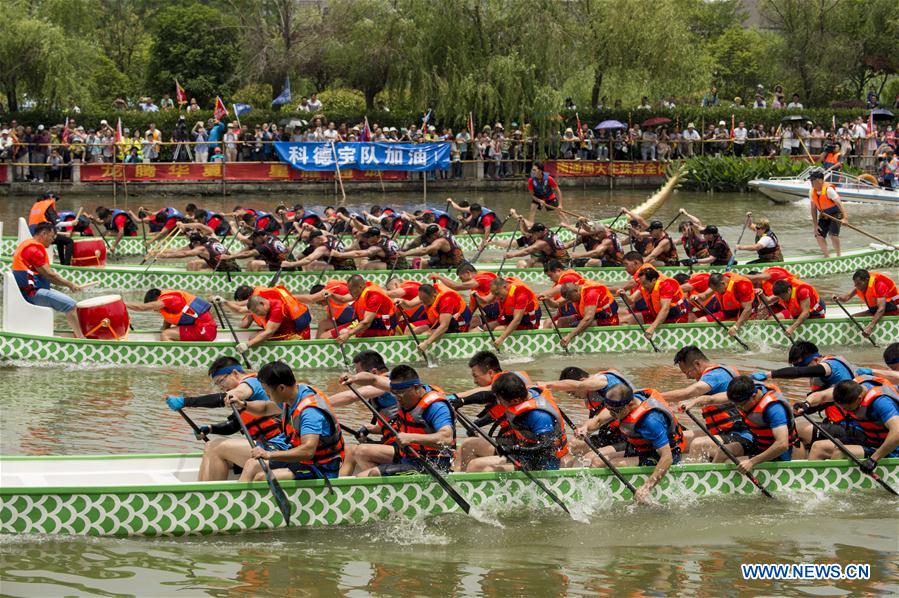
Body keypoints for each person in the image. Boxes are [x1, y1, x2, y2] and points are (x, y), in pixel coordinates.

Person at [166, 356, 291, 481]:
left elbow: (228, 396)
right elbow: (235, 425)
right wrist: (210, 429)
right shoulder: (244, 397)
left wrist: (186, 401)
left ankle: (207, 494)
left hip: (277, 447)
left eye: (221, 381)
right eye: (217, 384)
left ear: (235, 373)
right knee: (214, 450)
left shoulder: (251, 382)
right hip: (263, 445)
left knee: (214, 447)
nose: (220, 387)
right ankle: (207, 490)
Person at [239, 361, 344, 481]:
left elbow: (308, 451)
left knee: (262, 478)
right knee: (252, 464)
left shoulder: (310, 412)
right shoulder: (292, 394)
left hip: (320, 468)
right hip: (302, 461)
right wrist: (243, 404)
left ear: (281, 388)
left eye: (266, 390)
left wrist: (269, 454)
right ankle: (237, 498)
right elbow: (265, 408)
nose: (266, 395)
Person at [753, 341, 863, 448]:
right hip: (837, 423)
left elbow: (799, 372)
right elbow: (821, 404)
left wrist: (769, 375)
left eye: (803, 366)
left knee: (793, 430)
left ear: (815, 359)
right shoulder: (825, 377)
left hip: (851, 427)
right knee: (788, 425)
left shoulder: (830, 366)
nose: (804, 371)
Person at [351, 365, 456, 476]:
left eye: (401, 393)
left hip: (434, 463)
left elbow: (446, 438)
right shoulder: (401, 389)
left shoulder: (436, 406)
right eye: (394, 393)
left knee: (374, 473)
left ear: (416, 388)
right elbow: (373, 379)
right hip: (409, 456)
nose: (397, 397)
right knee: (360, 474)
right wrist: (353, 378)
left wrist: (411, 438)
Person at [594, 385, 685, 503]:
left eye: (615, 411)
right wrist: (585, 428)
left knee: (615, 464)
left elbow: (667, 457)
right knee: (598, 460)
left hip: (666, 455)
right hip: (643, 450)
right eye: (608, 409)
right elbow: (601, 419)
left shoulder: (650, 421)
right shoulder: (625, 402)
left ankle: (609, 496)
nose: (611, 415)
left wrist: (647, 487)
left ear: (630, 405)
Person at [466, 373, 569, 472]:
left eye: (500, 401)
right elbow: (489, 396)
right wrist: (461, 401)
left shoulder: (539, 416)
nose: (498, 403)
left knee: (475, 465)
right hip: (522, 452)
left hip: (541, 464)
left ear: (516, 400)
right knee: (469, 445)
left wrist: (514, 449)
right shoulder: (521, 394)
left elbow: (546, 447)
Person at [664, 346, 747, 460]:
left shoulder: (716, 375)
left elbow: (688, 393)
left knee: (697, 445)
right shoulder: (720, 369)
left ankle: (694, 475)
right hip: (721, 430)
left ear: (697, 364)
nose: (688, 377)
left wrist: (655, 396)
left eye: (688, 372)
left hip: (738, 432)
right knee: (677, 439)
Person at [327, 350, 399, 476]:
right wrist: (370, 429)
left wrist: (317, 404)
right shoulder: (379, 389)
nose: (355, 377)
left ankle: (374, 488)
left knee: (360, 451)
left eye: (358, 373)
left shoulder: (391, 383)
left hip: (405, 446)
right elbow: (392, 423)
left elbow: (352, 396)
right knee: (348, 450)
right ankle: (340, 489)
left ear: (374, 373)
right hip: (392, 441)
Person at [10, 222, 86, 336]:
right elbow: (50, 275)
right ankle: (81, 339)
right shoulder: (34, 250)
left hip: (30, 290)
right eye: (51, 237)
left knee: (66, 302)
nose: (52, 241)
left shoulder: (26, 244)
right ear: (44, 234)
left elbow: (47, 276)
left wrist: (67, 285)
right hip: (32, 293)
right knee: (71, 305)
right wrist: (70, 285)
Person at [805, 377, 899, 468]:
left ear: (859, 398)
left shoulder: (881, 402)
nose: (847, 411)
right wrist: (806, 404)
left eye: (849, 408)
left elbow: (897, 433)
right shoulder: (848, 390)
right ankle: (809, 481)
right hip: (869, 440)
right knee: (818, 447)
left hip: (890, 449)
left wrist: (873, 460)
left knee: (840, 452)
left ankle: (837, 482)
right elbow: (821, 395)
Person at [543, 367, 632, 461]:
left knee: (590, 457)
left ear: (583, 382)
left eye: (572, 392)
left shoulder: (603, 381)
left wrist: (548, 384)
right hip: (610, 437)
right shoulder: (589, 397)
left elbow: (599, 421)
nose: (573, 396)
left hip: (628, 439)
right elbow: (594, 421)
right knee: (569, 447)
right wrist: (584, 429)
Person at [714, 376, 799, 473]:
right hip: (758, 445)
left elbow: (782, 445)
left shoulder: (774, 409)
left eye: (741, 405)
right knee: (724, 451)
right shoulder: (746, 391)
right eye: (735, 405)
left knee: (730, 463)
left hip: (778, 454)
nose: (739, 408)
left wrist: (751, 462)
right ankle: (711, 477)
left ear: (754, 396)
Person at [125, 289, 217, 341]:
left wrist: (123, 304)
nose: (154, 310)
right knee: (165, 331)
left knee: (166, 335)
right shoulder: (169, 307)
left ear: (155, 300)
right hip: (207, 329)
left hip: (204, 330)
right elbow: (167, 323)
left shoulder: (168, 299)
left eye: (153, 307)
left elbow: (143, 307)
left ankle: (171, 358)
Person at [236, 287, 312, 350]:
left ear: (262, 303)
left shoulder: (277, 307)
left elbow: (269, 332)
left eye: (257, 311)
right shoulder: (260, 302)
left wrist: (247, 345)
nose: (257, 314)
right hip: (285, 331)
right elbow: (242, 318)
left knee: (254, 338)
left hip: (296, 335)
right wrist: (225, 303)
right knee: (254, 336)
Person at [619, 268, 688, 337]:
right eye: (641, 283)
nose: (642, 286)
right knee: (625, 320)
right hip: (656, 313)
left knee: (648, 327)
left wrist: (652, 327)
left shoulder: (666, 285)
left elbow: (665, 309)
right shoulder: (644, 286)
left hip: (675, 316)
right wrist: (624, 295)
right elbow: (631, 300)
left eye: (645, 283)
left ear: (654, 280)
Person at [430, 263, 499, 330]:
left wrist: (439, 277)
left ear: (468, 273)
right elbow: (470, 312)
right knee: (471, 321)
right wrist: (457, 321)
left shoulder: (482, 278)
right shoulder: (474, 292)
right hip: (491, 315)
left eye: (461, 278)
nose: (462, 281)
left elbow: (457, 286)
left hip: (499, 314)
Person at [833, 269, 898, 337]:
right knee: (852, 317)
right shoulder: (860, 286)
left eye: (859, 284)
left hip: (891, 311)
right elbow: (846, 298)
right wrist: (838, 298)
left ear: (866, 280)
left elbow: (881, 309)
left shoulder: (879, 285)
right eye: (855, 284)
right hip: (874, 310)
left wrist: (870, 327)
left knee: (858, 319)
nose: (856, 286)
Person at [335, 275, 397, 342]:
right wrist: (331, 295)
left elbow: (367, 322)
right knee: (341, 332)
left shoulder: (374, 296)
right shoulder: (361, 293)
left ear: (360, 287)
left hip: (383, 332)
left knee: (346, 334)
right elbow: (342, 299)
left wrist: (348, 334)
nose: (349, 293)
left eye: (351, 290)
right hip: (371, 328)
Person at [557, 281, 618, 347]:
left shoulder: (591, 293)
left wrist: (570, 336)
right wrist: (547, 299)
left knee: (575, 325)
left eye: (571, 299)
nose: (571, 301)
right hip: (594, 316)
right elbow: (556, 304)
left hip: (608, 320)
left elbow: (588, 319)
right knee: (561, 321)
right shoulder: (576, 291)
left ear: (576, 291)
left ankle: (571, 342)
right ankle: (560, 344)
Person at [413, 284, 471, 351]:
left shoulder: (447, 300)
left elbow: (444, 326)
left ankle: (426, 349)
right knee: (414, 330)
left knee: (425, 334)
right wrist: (402, 302)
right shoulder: (429, 294)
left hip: (458, 322)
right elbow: (409, 305)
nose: (422, 303)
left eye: (425, 300)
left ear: (434, 295)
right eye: (421, 299)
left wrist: (426, 343)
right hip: (443, 318)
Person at [699, 272, 758, 336]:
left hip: (747, 313)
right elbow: (704, 296)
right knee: (699, 322)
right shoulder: (719, 281)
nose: (715, 292)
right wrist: (696, 297)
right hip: (728, 312)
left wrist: (736, 327)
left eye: (716, 290)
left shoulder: (741, 284)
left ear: (723, 283)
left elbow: (748, 309)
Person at [489, 277, 541, 348]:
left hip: (529, 320)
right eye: (494, 295)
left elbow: (517, 320)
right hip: (515, 316)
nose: (497, 298)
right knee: (492, 325)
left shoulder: (521, 291)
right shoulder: (504, 291)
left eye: (497, 293)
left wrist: (501, 338)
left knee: (498, 329)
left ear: (504, 287)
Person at [808, 168, 847, 258]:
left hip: (836, 213)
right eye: (811, 180)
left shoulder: (829, 190)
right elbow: (813, 209)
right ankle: (827, 256)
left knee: (833, 235)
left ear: (821, 180)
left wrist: (845, 218)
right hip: (824, 214)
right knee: (818, 235)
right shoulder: (811, 191)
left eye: (814, 180)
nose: (812, 182)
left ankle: (838, 256)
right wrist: (815, 225)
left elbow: (840, 204)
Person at [151, 232, 239, 272]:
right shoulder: (212, 238)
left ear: (196, 242)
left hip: (227, 271)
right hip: (233, 265)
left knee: (200, 271)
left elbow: (184, 254)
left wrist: (165, 256)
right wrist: (156, 251)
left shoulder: (201, 249)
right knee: (193, 263)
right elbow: (179, 250)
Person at [27, 193, 75, 265]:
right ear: (51, 198)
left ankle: (62, 263)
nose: (55, 202)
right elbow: (57, 223)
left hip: (34, 234)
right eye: (55, 199)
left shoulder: (36, 206)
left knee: (60, 241)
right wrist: (71, 223)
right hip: (44, 235)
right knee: (69, 241)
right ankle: (66, 265)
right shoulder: (48, 206)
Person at [506, 218, 570, 268]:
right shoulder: (546, 231)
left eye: (534, 233)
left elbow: (527, 251)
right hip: (559, 259)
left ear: (539, 232)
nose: (533, 235)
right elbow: (527, 232)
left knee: (521, 263)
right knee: (533, 259)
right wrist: (522, 222)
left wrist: (512, 254)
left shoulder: (542, 242)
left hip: (561, 265)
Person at [398, 224, 465, 269]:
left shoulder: (441, 241)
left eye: (430, 237)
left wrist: (405, 254)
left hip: (455, 265)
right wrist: (405, 249)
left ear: (435, 234)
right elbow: (424, 227)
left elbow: (424, 251)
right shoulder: (443, 230)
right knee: (423, 262)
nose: (428, 239)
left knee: (424, 261)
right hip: (444, 260)